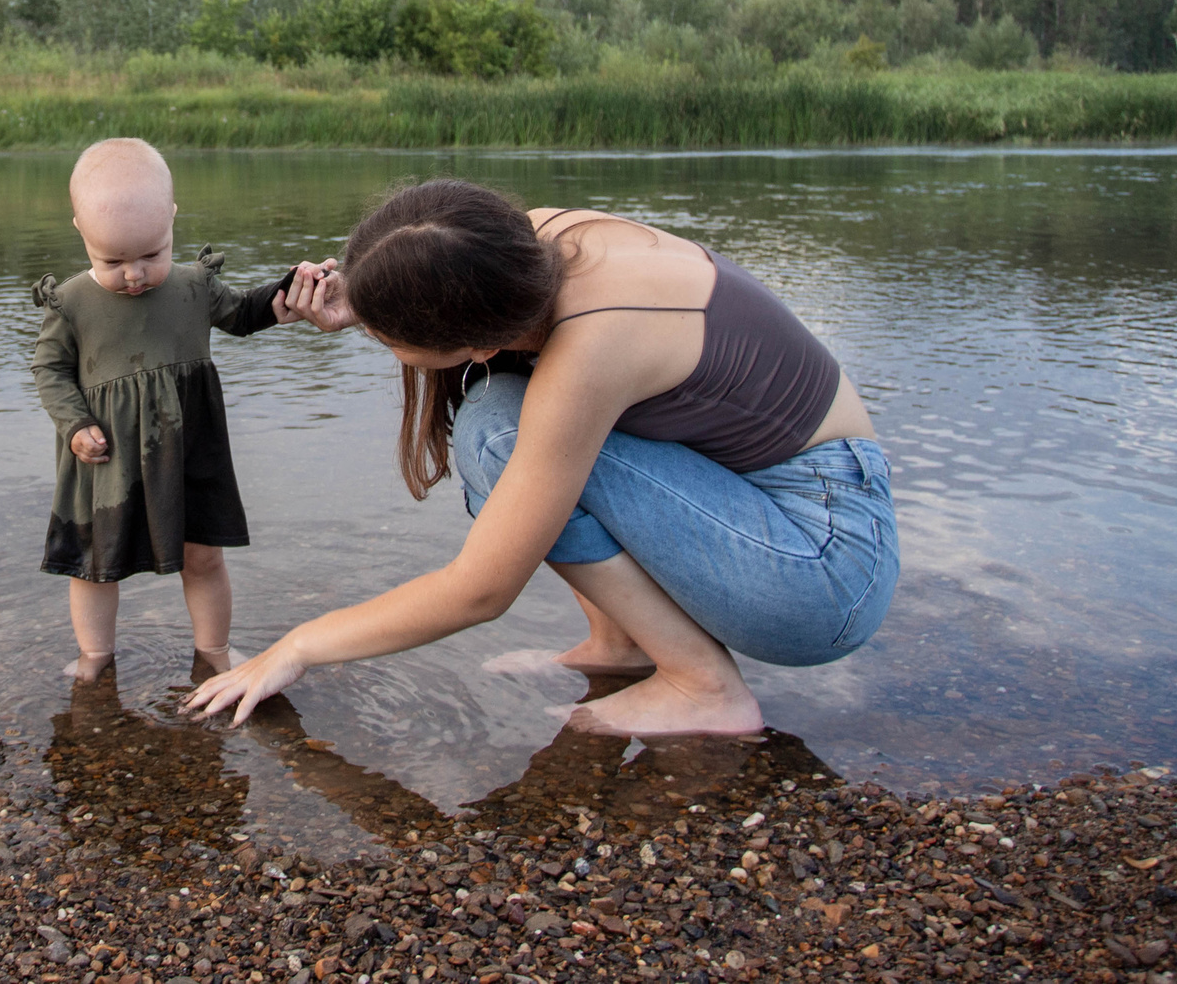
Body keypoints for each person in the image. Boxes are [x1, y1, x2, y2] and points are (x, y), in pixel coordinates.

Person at [185, 179, 898, 738]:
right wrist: (368, 297)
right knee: (505, 413)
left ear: (484, 340)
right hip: (776, 506)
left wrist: (298, 645)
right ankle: (623, 642)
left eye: (387, 337)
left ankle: (701, 686)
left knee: (496, 431)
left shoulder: (592, 348)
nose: (380, 341)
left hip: (823, 568)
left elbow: (481, 589)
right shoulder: (532, 243)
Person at [33, 138, 298, 679]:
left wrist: (294, 291)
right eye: (113, 261)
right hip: (107, 459)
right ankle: (95, 657)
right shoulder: (74, 303)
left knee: (204, 556)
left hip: (189, 449)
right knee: (94, 565)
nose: (134, 274)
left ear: (172, 220)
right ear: (81, 231)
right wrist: (75, 424)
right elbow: (50, 370)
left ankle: (215, 653)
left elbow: (245, 314)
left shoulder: (194, 286)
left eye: (152, 255)